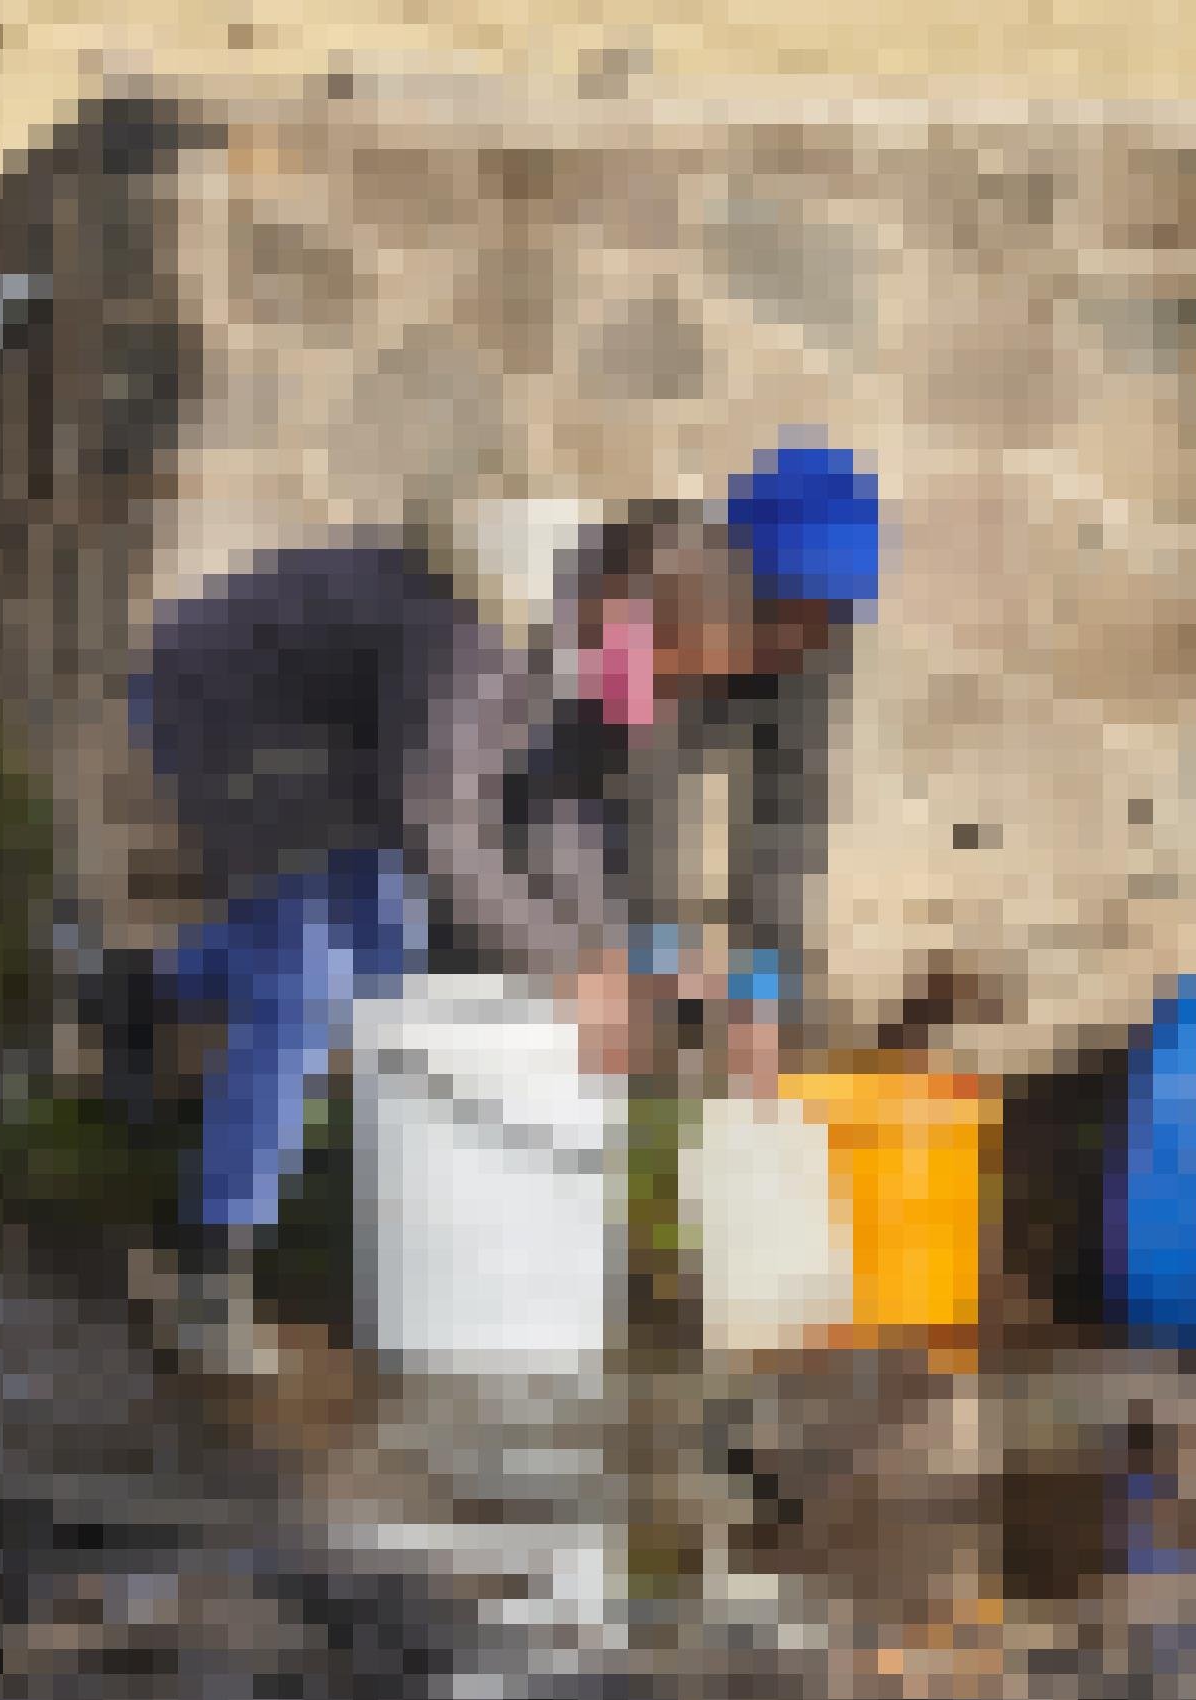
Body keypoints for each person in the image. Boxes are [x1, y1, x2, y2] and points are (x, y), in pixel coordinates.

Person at [120, 440, 882, 1382]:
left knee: (378, 938)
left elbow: (571, 805)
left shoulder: (621, 639)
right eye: (676, 678)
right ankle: (201, 1263)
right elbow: (444, 818)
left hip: (359, 733)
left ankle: (138, 997)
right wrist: (580, 967)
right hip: (231, 717)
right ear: (635, 627)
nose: (670, 708)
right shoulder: (493, 626)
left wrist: (617, 954)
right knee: (321, 960)